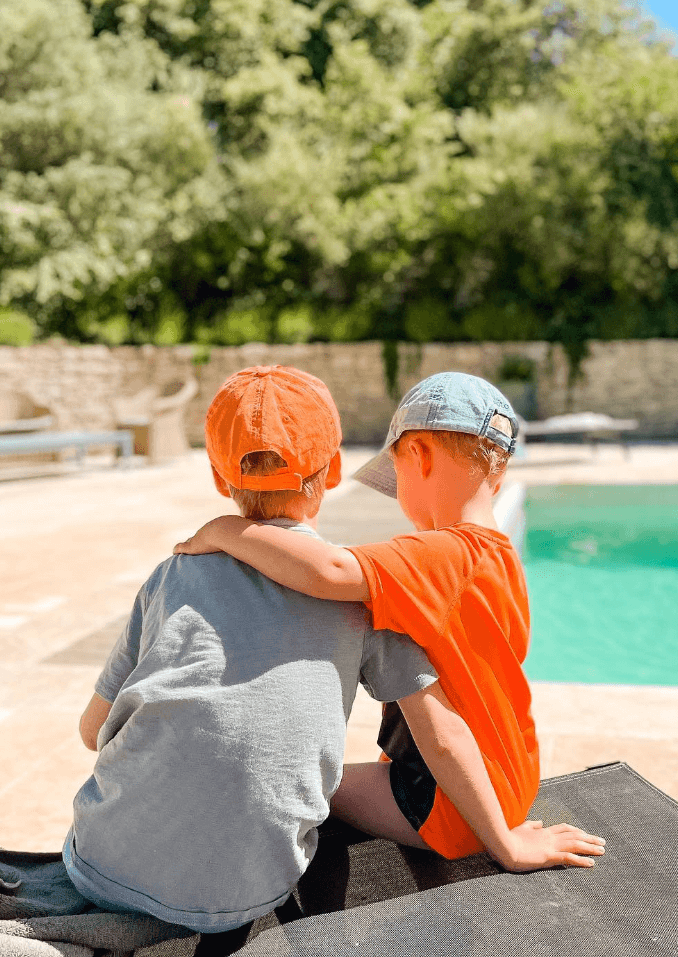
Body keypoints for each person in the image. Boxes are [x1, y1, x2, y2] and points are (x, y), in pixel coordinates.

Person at [65, 366, 599, 938]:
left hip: (103, 867)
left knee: (300, 775)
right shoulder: (485, 564)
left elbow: (92, 731)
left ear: (222, 478)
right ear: (334, 471)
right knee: (299, 773)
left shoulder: (409, 567)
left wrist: (223, 530)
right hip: (489, 782)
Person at [174, 371, 606, 865]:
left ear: (418, 457)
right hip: (508, 776)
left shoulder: (440, 556)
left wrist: (226, 530)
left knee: (295, 780)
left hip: (449, 806)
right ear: (499, 473)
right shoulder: (501, 558)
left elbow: (327, 570)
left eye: (396, 474)